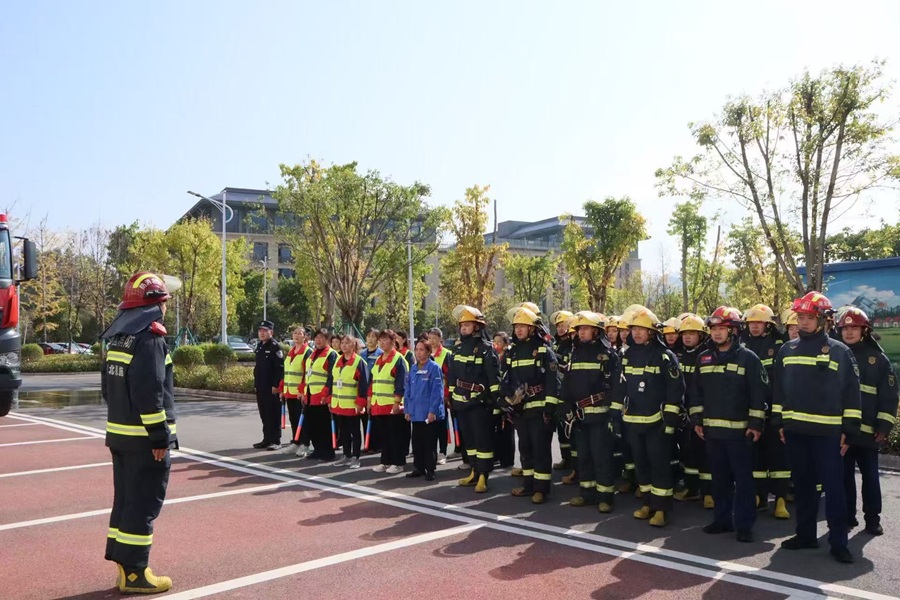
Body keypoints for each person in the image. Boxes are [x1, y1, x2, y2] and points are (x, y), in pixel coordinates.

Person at [101, 271, 180, 594]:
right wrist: (159, 437)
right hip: (145, 442)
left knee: (126, 501)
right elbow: (152, 393)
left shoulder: (120, 338)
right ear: (157, 305)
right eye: (165, 302)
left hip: (120, 436)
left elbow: (108, 390)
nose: (166, 308)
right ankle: (135, 574)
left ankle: (124, 566)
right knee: (143, 504)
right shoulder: (150, 339)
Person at [772, 291, 861, 564]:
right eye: (800, 317)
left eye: (809, 317)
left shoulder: (839, 351)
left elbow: (851, 393)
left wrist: (850, 430)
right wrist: (780, 422)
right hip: (796, 433)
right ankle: (806, 535)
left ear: (823, 320)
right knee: (803, 488)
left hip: (828, 435)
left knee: (834, 490)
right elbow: (779, 391)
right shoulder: (787, 350)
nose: (803, 322)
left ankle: (838, 543)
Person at [691, 306, 767, 543]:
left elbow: (759, 394)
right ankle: (722, 520)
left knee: (743, 481)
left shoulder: (748, 359)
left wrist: (755, 424)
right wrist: (697, 420)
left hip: (739, 434)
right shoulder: (703, 358)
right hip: (713, 433)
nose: (716, 333)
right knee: (719, 479)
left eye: (722, 328)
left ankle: (744, 525)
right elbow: (696, 393)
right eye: (713, 329)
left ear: (733, 331)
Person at [611, 306, 685, 527]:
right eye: (633, 329)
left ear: (652, 332)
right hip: (633, 422)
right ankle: (648, 503)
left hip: (657, 423)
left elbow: (675, 390)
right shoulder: (627, 356)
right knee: (641, 465)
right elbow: (620, 387)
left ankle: (662, 509)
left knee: (659, 465)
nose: (636, 333)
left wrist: (670, 422)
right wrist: (615, 416)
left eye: (641, 329)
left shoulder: (665, 356)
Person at [837, 307, 898, 536]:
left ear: (864, 331)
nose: (849, 332)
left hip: (868, 433)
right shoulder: (835, 355)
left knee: (871, 478)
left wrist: (884, 427)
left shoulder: (878, 360)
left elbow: (889, 396)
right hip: (842, 433)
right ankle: (847, 516)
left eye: (854, 327)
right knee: (843, 478)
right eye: (845, 328)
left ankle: (872, 520)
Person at [562, 311, 621, 513]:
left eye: (585, 328)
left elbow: (616, 387)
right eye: (579, 329)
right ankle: (587, 493)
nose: (581, 332)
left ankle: (605, 497)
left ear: (596, 331)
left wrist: (613, 414)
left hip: (601, 416)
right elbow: (568, 382)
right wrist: (566, 405)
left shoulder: (608, 355)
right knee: (584, 456)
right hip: (580, 416)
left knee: (601, 457)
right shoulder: (575, 353)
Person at [501, 307, 560, 504]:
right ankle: (528, 485)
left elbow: (552, 382)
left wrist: (549, 408)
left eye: (523, 326)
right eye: (516, 326)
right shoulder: (512, 352)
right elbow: (504, 377)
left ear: (532, 329)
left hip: (539, 408)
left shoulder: (544, 351)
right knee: (525, 447)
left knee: (540, 448)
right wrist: (507, 397)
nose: (518, 330)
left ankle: (541, 489)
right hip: (520, 409)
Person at [742, 304, 790, 519]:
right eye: (751, 323)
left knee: (778, 457)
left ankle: (780, 499)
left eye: (759, 323)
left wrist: (779, 414)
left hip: (773, 411)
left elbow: (781, 383)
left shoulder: (779, 346)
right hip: (752, 412)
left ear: (768, 325)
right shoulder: (742, 344)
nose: (754, 326)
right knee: (755, 457)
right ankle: (759, 496)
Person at [448, 305, 501, 493]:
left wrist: (496, 403)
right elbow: (452, 375)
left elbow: (494, 378)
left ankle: (484, 476)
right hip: (461, 402)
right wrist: (451, 397)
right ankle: (474, 471)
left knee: (482, 441)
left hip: (480, 403)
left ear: (477, 327)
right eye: (462, 325)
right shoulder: (457, 349)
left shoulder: (486, 349)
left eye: (467, 325)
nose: (463, 328)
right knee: (469, 441)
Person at [674, 314, 713, 507]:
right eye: (684, 334)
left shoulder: (707, 356)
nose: (687, 337)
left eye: (692, 333)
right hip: (684, 412)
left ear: (701, 335)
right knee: (687, 452)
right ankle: (691, 488)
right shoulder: (679, 355)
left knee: (705, 452)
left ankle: (709, 492)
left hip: (702, 412)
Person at [405, 339, 445, 481]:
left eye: (422, 350)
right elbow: (408, 390)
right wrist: (407, 409)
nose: (418, 352)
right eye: (417, 349)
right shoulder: (413, 368)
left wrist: (433, 411)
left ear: (428, 352)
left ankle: (430, 469)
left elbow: (437, 392)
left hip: (428, 413)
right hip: (416, 412)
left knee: (429, 443)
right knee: (417, 442)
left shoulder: (434, 368)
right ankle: (419, 468)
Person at [370, 329, 409, 474]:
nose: (382, 342)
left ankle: (398, 463)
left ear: (393, 342)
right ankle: (385, 461)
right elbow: (373, 380)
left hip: (392, 405)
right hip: (379, 404)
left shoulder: (398, 359)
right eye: (380, 340)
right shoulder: (378, 359)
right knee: (384, 436)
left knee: (396, 436)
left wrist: (397, 402)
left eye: (385, 340)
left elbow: (401, 383)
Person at [331, 335, 369, 469]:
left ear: (353, 345)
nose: (344, 345)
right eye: (342, 343)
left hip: (352, 404)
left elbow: (364, 384)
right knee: (344, 431)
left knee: (355, 431)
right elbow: (332, 380)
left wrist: (361, 403)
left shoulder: (359, 362)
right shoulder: (338, 360)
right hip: (339, 403)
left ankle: (355, 457)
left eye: (347, 343)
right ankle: (346, 455)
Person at [304, 329, 339, 461]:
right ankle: (317, 450)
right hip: (310, 395)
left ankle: (327, 452)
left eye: (321, 337)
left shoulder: (331, 354)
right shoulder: (313, 354)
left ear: (327, 339)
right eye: (316, 337)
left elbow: (331, 376)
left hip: (322, 396)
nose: (318, 340)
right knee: (313, 426)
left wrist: (327, 394)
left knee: (324, 426)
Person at [280, 326, 312, 456]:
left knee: (302, 419)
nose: (297, 335)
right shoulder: (291, 351)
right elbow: (286, 372)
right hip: (289, 392)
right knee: (293, 419)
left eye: (300, 333)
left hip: (300, 394)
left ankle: (305, 444)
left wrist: (302, 390)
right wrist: (282, 389)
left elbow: (307, 374)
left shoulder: (308, 352)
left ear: (305, 337)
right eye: (295, 333)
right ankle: (296, 442)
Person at [550, 310, 575, 474]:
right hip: (556, 390)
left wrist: (556, 360)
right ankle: (565, 457)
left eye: (563, 325)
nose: (560, 328)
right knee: (561, 428)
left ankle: (574, 460)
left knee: (570, 427)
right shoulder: (555, 343)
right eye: (558, 325)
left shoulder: (573, 344)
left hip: (569, 390)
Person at [253, 321, 285, 451]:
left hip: (271, 387)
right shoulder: (260, 346)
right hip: (261, 386)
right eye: (260, 330)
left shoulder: (275, 347)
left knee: (273, 414)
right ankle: (266, 439)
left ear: (271, 332)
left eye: (265, 331)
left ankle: (275, 440)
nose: (262, 333)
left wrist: (276, 385)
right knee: (264, 414)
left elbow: (279, 368)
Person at [429, 327, 456, 466]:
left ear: (440, 339)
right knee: (430, 427)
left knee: (441, 426)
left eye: (434, 338)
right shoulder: (426, 353)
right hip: (427, 396)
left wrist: (447, 396)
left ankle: (442, 452)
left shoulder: (446, 354)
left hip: (441, 396)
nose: (432, 341)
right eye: (430, 338)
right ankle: (431, 453)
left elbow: (449, 377)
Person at [493, 331, 516, 469]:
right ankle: (497, 455)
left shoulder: (509, 356)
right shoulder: (492, 356)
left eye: (499, 342)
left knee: (507, 429)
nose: (496, 344)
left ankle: (507, 459)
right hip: (496, 398)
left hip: (507, 398)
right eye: (494, 341)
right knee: (496, 429)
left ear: (506, 344)